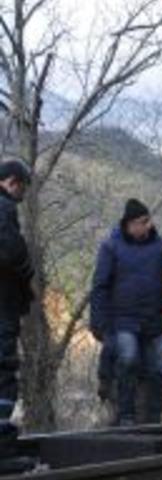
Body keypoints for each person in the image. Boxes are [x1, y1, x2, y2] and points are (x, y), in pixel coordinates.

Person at [90, 198, 162, 426]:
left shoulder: (161, 247)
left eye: (149, 221)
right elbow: (100, 286)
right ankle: (126, 415)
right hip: (122, 319)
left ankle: (154, 418)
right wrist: (98, 321)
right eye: (142, 222)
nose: (148, 225)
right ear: (130, 224)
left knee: (158, 368)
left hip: (154, 320)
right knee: (128, 360)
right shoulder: (111, 246)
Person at [0, 160, 33, 454]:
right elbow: (10, 251)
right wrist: (26, 266)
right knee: (4, 368)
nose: (23, 192)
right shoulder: (4, 208)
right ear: (11, 181)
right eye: (23, 185)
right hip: (3, 303)